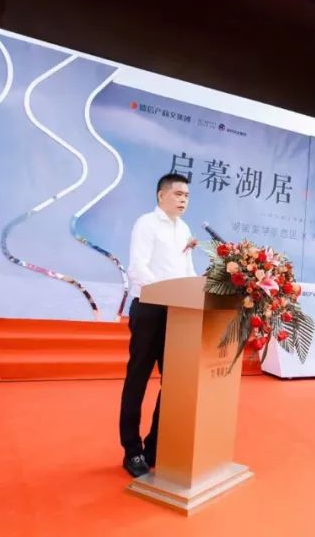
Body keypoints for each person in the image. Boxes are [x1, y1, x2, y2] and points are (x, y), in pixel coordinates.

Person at [119, 173, 198, 478]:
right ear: (161, 195)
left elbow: (187, 271)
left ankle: (153, 446)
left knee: (174, 381)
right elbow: (137, 268)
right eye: (178, 194)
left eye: (186, 196)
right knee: (137, 379)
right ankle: (132, 449)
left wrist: (196, 290)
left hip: (176, 313)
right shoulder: (146, 224)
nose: (183, 200)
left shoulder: (184, 229)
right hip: (149, 309)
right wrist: (166, 293)